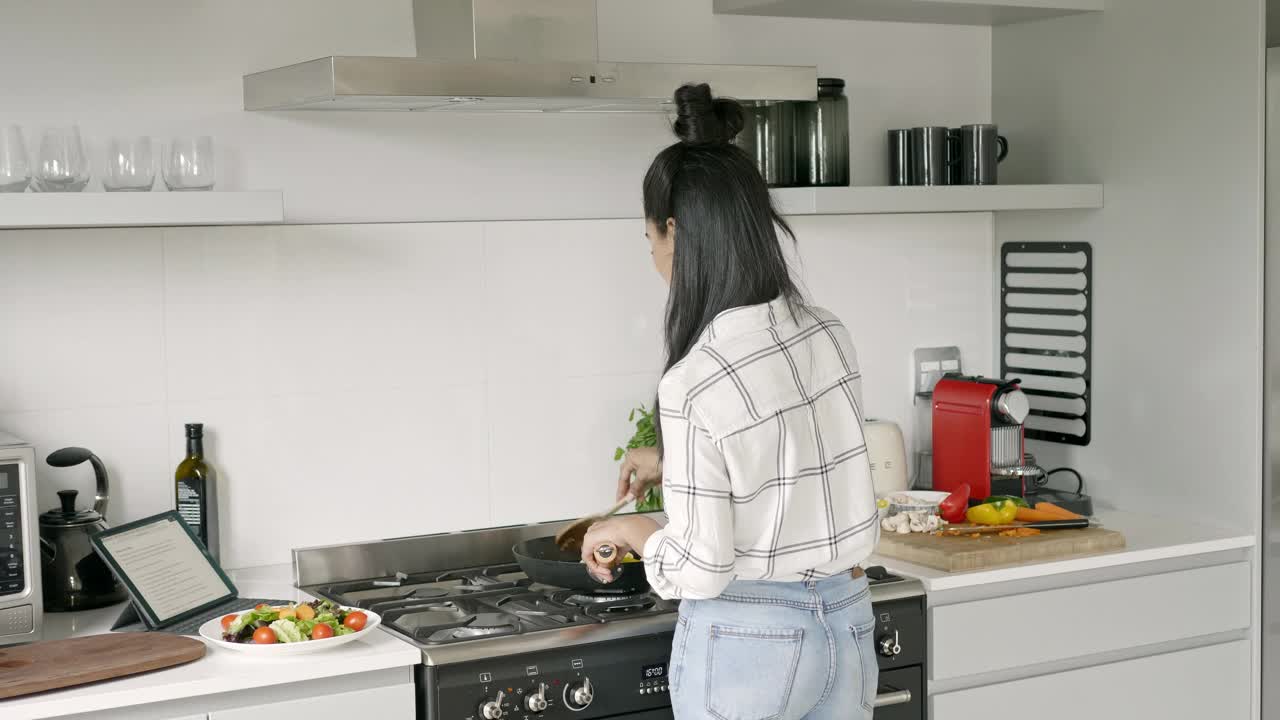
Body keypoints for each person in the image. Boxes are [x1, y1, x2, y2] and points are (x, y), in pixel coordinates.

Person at [581, 83, 880, 720]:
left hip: (752, 641)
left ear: (675, 231)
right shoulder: (828, 332)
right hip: (848, 624)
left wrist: (631, 531)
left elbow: (703, 568)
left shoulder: (694, 381)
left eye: (651, 241)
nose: (656, 260)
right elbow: (794, 454)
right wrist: (673, 461)